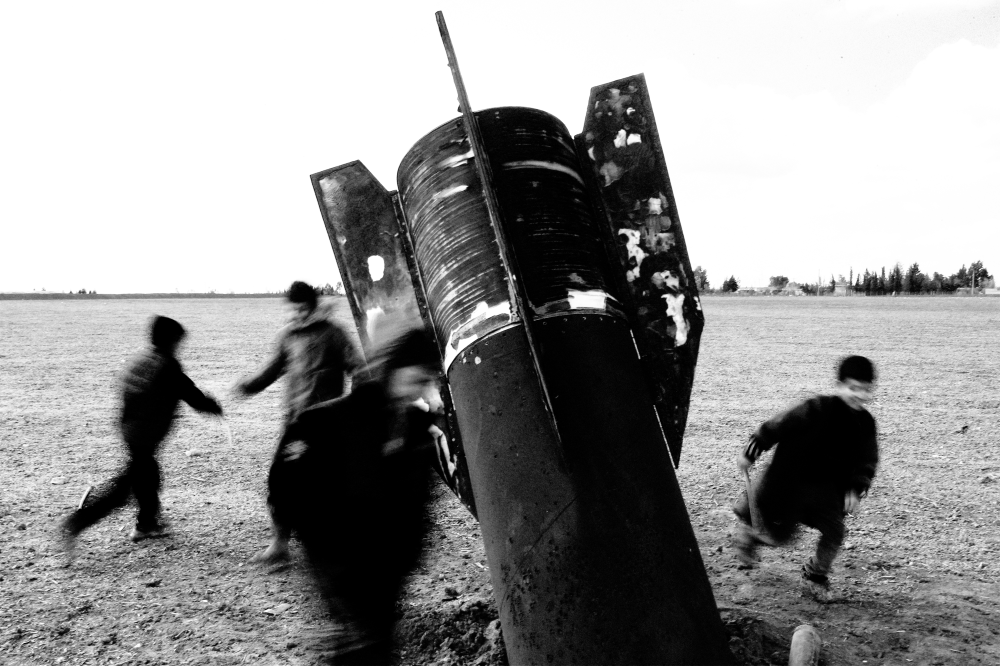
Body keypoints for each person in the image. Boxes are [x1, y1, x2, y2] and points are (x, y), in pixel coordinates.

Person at [278, 326, 441, 664]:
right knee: (363, 644)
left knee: (375, 642)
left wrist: (412, 549)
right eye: (418, 376)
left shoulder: (416, 426)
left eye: (428, 379)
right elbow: (286, 485)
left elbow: (420, 496)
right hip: (342, 562)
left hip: (389, 566)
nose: (422, 388)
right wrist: (303, 541)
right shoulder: (325, 422)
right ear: (391, 368)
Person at [60, 316, 222, 557]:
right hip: (144, 435)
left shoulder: (141, 359)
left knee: (148, 476)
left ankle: (147, 524)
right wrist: (213, 407)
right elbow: (192, 395)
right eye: (178, 342)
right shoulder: (167, 365)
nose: (179, 347)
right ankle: (76, 522)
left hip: (130, 430)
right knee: (125, 488)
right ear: (171, 340)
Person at [232, 280, 360, 564]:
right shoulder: (287, 336)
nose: (299, 314)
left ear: (313, 305)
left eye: (303, 308)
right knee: (279, 479)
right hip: (294, 423)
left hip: (326, 423)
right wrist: (248, 386)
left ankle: (335, 547)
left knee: (326, 484)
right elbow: (272, 369)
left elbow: (359, 370)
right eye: (295, 309)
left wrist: (350, 408)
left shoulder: (335, 333)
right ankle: (280, 543)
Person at [732, 355, 879, 602]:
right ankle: (750, 532)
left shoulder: (865, 424)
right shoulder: (815, 408)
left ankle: (815, 576)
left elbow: (867, 460)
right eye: (853, 388)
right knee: (780, 537)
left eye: (865, 390)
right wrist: (751, 451)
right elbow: (776, 426)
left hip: (827, 492)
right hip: (788, 485)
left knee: (835, 532)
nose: (859, 395)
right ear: (840, 385)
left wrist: (855, 488)